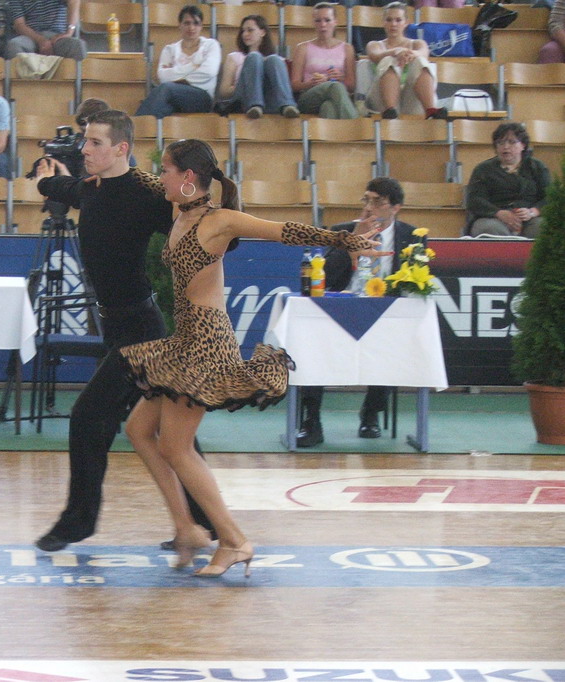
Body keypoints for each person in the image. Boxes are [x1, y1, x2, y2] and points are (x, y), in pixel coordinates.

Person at [118, 139, 384, 577]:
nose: (160, 176)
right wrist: (108, 165)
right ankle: (186, 528)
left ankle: (234, 540)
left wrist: (344, 240)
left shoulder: (219, 220)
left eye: (166, 169)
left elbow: (285, 231)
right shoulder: (178, 209)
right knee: (139, 430)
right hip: (186, 339)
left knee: (176, 447)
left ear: (188, 177)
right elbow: (142, 180)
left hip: (207, 341)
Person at [33, 110, 214, 553]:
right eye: (85, 141)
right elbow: (63, 188)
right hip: (116, 327)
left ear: (121, 149)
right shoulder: (90, 188)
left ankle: (77, 522)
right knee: (172, 429)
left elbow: (203, 222)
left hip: (141, 331)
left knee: (88, 416)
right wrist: (45, 180)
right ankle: (206, 522)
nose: (85, 150)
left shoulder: (146, 191)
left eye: (95, 143)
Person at [295, 177, 417, 447]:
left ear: (395, 208)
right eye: (367, 200)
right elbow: (325, 276)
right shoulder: (343, 231)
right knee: (314, 344)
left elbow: (417, 279)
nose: (369, 207)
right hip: (341, 308)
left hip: (385, 312)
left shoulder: (411, 237)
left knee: (393, 341)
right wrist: (351, 242)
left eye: (378, 202)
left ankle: (371, 414)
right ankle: (311, 421)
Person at [465, 122, 550, 238]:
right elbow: (474, 200)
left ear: (523, 145)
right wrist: (499, 213)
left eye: (512, 142)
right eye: (500, 143)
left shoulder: (537, 167)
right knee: (488, 229)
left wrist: (532, 212)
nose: (505, 147)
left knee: (543, 227)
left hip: (530, 219)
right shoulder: (483, 169)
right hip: (494, 218)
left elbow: (549, 197)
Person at [135, 5, 222, 119]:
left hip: (202, 97)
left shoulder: (211, 45)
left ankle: (136, 124)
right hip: (175, 98)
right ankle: (146, 128)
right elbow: (163, 76)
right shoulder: (170, 49)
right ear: (180, 25)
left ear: (201, 26)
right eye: (187, 23)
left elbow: (209, 72)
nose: (191, 27)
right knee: (162, 108)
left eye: (196, 23)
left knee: (165, 89)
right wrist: (193, 66)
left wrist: (177, 78)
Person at [363, 2, 446, 120]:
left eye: (398, 20)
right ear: (383, 22)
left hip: (410, 99)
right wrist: (396, 52)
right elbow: (375, 56)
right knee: (388, 60)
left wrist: (410, 54)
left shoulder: (417, 43)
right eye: (389, 20)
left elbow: (424, 53)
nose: (393, 24)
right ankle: (390, 110)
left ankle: (430, 110)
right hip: (380, 98)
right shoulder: (374, 44)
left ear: (406, 22)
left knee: (420, 61)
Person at [215, 14, 299, 120]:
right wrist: (250, 84)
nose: (245, 34)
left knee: (274, 59)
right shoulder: (234, 57)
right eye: (243, 31)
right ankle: (255, 105)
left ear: (262, 32)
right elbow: (224, 92)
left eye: (250, 30)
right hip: (243, 100)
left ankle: (287, 106)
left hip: (270, 102)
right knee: (254, 57)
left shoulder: (279, 61)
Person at [289, 2, 359, 120]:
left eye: (327, 20)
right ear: (313, 23)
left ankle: (328, 133)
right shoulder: (302, 48)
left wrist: (341, 78)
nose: (323, 24)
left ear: (335, 22)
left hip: (336, 97)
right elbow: (294, 85)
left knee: (328, 107)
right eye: (318, 21)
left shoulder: (347, 48)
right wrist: (311, 83)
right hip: (308, 96)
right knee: (335, 86)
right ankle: (355, 126)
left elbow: (352, 86)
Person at [5, 0, 87, 61]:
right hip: (31, 36)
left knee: (78, 45)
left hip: (57, 36)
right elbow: (19, 25)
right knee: (13, 45)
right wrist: (40, 40)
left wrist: (69, 32)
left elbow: (74, 1)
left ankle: (74, 79)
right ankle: (23, 80)